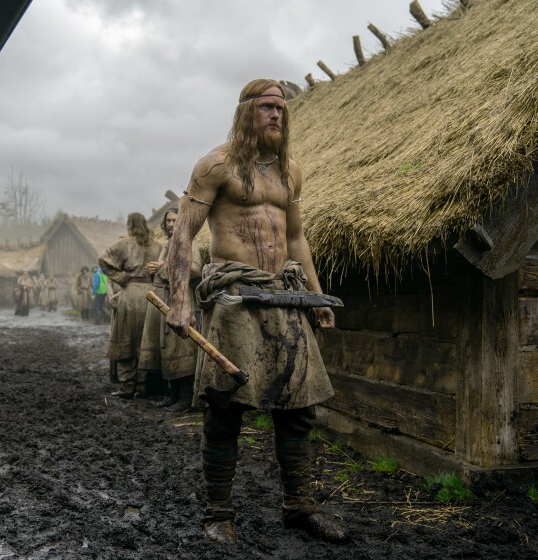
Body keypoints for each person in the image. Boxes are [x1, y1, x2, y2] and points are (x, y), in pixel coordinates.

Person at [165, 79, 345, 544]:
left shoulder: (290, 173)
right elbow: (183, 233)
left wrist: (318, 296)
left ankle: (299, 506)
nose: (276, 115)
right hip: (235, 298)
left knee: (299, 410)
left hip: (286, 297)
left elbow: (297, 239)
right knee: (226, 409)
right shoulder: (215, 165)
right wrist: (181, 298)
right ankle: (218, 513)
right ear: (247, 111)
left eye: (281, 109)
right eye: (267, 107)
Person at [138, 208, 203, 412]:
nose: (170, 224)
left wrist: (163, 267)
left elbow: (194, 269)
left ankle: (185, 398)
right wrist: (154, 270)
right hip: (164, 301)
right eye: (167, 220)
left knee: (182, 347)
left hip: (180, 301)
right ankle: (172, 395)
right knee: (167, 349)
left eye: (175, 220)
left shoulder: (192, 242)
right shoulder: (168, 244)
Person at [98, 212, 164, 398]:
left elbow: (103, 259)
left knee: (127, 338)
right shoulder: (158, 246)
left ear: (129, 225)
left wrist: (121, 277)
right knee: (146, 340)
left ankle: (127, 386)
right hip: (152, 295)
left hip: (130, 293)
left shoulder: (124, 243)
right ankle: (144, 386)